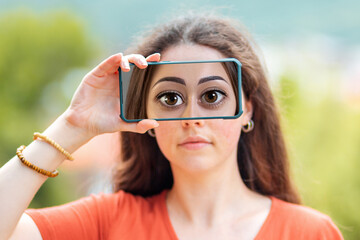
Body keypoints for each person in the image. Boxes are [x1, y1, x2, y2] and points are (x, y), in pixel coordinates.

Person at [0, 14, 343, 240]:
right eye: (170, 98)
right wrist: (73, 125)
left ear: (246, 109)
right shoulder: (106, 222)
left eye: (212, 95)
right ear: (145, 118)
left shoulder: (310, 232)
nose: (192, 116)